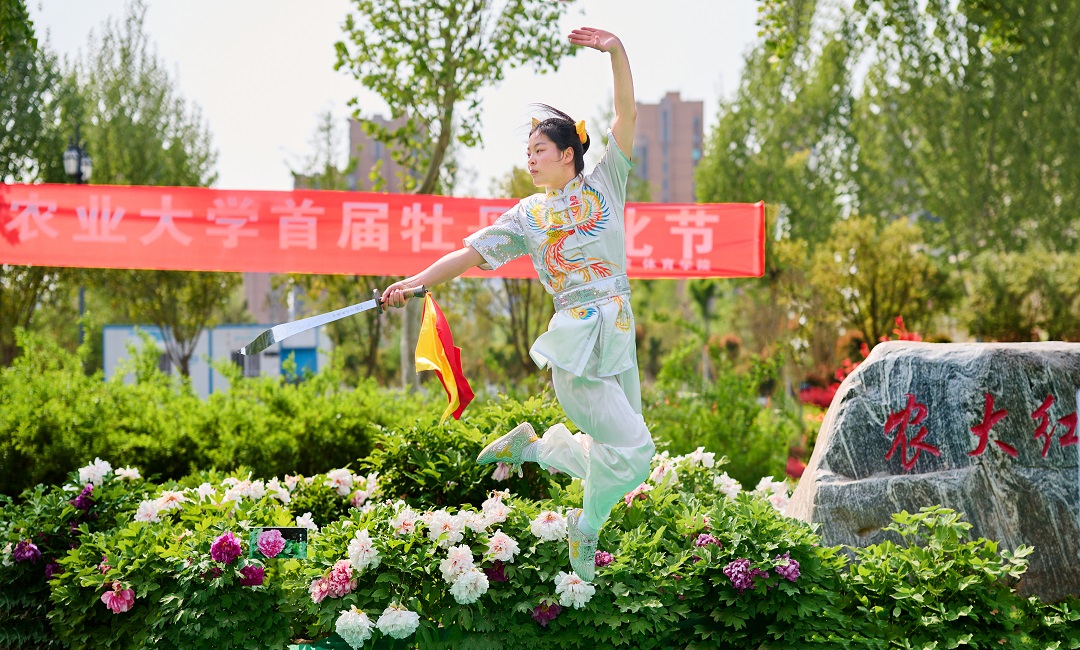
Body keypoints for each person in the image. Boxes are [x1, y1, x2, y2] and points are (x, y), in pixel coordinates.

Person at [382, 27, 654, 582]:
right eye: (526, 153)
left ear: (569, 154)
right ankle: (586, 524)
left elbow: (626, 113)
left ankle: (539, 447)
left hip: (619, 338)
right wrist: (416, 282)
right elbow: (469, 253)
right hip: (576, 345)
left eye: (539, 151)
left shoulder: (606, 182)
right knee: (636, 453)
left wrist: (616, 50)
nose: (530, 160)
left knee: (622, 454)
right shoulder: (528, 216)